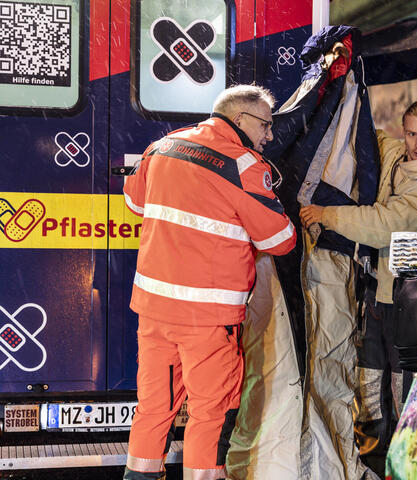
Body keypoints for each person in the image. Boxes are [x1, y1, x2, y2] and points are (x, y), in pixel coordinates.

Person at [122, 85, 297, 480]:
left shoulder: (164, 145)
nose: (269, 136)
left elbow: (134, 202)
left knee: (154, 405)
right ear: (240, 120)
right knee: (211, 411)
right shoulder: (245, 165)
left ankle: (139, 474)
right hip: (208, 317)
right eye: (265, 126)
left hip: (154, 309)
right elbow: (279, 241)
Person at [298, 100, 417, 477]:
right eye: (412, 133)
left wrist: (327, 215)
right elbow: (370, 135)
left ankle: (408, 467)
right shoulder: (397, 156)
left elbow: (387, 222)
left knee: (406, 394)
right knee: (369, 388)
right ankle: (370, 465)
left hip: (414, 304)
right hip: (378, 296)